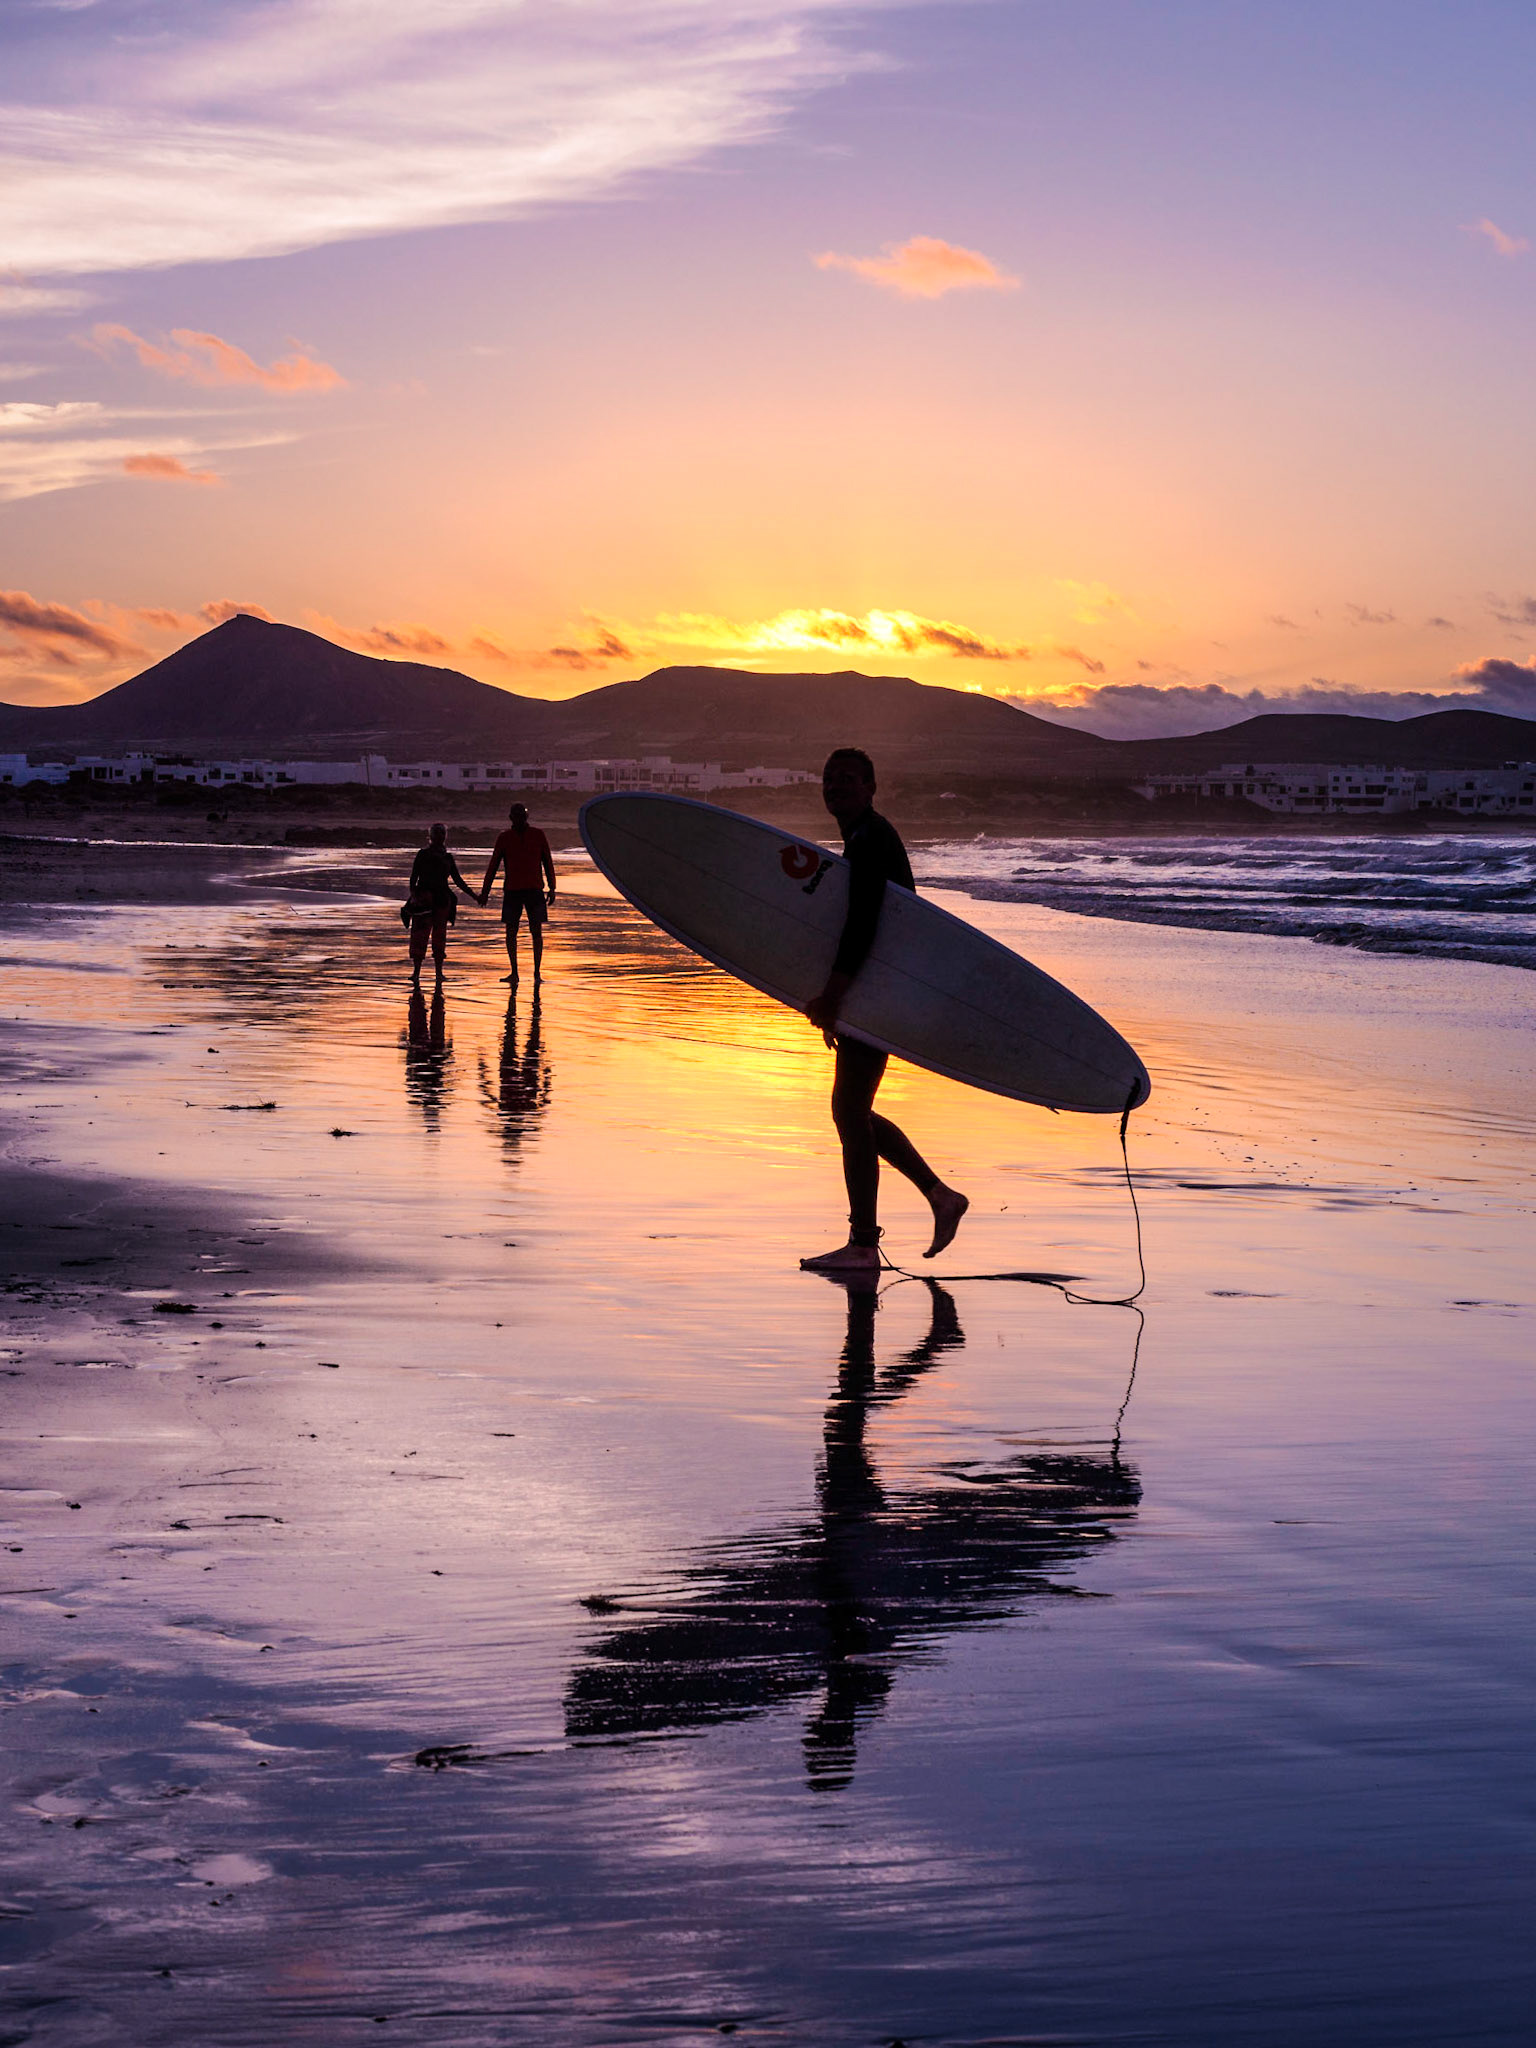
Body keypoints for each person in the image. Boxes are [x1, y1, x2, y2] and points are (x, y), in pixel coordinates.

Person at [800, 748, 968, 1276]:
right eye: (828, 780)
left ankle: (864, 1243)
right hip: (880, 991)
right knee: (853, 1112)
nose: (834, 787)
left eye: (846, 779)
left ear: (871, 786)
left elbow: (864, 924)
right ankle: (939, 1197)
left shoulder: (870, 840)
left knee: (849, 1112)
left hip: (879, 990)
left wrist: (834, 996)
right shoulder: (862, 838)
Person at [480, 802, 556, 985]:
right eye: (516, 816)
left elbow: (548, 861)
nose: (520, 819)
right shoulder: (504, 838)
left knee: (536, 931)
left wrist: (552, 887)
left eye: (522, 815)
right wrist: (485, 891)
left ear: (526, 817)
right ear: (511, 818)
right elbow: (493, 865)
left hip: (534, 889)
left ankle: (537, 973)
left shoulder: (538, 835)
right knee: (511, 932)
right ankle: (514, 972)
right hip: (513, 890)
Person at [405, 823, 476, 983]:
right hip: (425, 900)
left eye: (441, 834)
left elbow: (458, 881)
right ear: (431, 836)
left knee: (438, 937)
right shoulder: (423, 855)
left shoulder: (447, 858)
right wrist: (414, 896)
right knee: (420, 936)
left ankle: (437, 973)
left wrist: (474, 896)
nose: (439, 838)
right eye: (437, 834)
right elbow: (413, 877)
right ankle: (417, 972)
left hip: (441, 901)